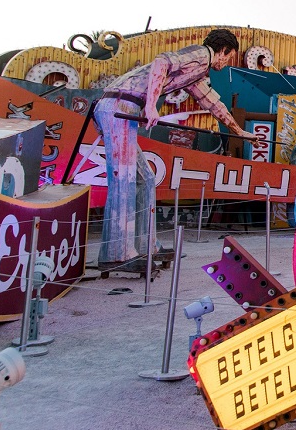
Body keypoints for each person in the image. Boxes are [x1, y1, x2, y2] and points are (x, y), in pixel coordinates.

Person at [94, 28, 254, 265]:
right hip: (121, 106)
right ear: (223, 51)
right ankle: (118, 254)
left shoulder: (198, 73)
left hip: (124, 108)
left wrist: (240, 132)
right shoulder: (201, 54)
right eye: (229, 57)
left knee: (144, 179)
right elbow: (162, 61)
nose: (227, 62)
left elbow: (212, 102)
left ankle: (146, 246)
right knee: (125, 179)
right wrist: (151, 106)